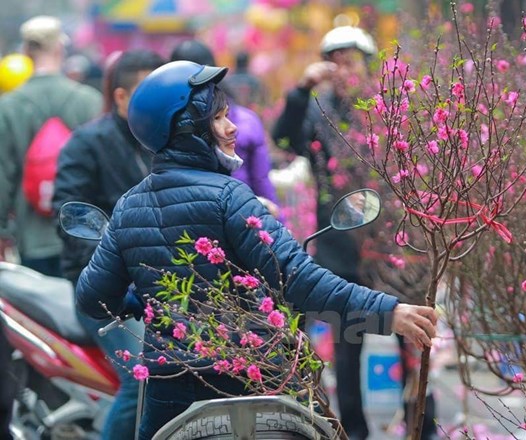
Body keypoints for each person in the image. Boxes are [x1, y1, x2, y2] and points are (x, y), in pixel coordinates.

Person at [74, 60, 438, 439]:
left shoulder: (128, 207)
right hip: (249, 379)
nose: (232, 128)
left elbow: (92, 297)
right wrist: (388, 311)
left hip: (171, 388)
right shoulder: (230, 198)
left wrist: (141, 300)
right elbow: (297, 278)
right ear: (188, 130)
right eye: (218, 119)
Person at [272, 26, 438, 439]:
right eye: (336, 59)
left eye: (352, 58)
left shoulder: (391, 110)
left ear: (368, 63)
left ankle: (424, 426)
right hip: (339, 248)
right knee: (348, 351)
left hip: (397, 248)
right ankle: (355, 431)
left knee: (415, 341)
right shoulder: (317, 109)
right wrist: (301, 89)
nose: (344, 67)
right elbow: (285, 139)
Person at [52, 49, 165, 440]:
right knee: (142, 378)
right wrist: (113, 270)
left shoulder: (162, 140)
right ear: (120, 97)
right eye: (144, 93)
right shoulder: (87, 143)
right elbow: (69, 215)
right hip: (103, 289)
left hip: (160, 286)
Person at [0, 15, 102, 276]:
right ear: (60, 48)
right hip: (86, 235)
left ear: (25, 51)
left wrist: (2, 232)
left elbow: (2, 176)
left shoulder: (7, 107)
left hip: (32, 237)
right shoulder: (89, 101)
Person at [170, 39, 280, 216]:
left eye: (223, 116)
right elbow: (261, 180)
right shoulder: (246, 120)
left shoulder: (165, 124)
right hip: (243, 215)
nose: (230, 129)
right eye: (217, 117)